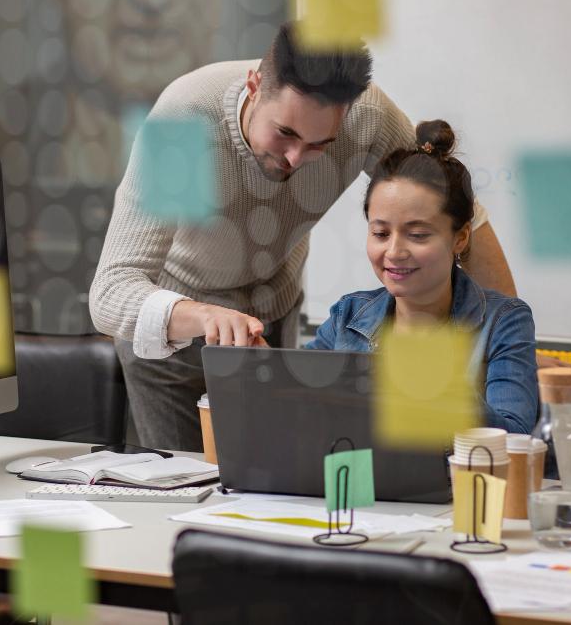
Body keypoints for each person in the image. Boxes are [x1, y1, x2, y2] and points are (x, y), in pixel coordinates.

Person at [90, 22, 517, 451]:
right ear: (254, 86)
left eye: (320, 144)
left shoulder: (368, 118)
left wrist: (506, 338)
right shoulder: (185, 123)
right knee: (184, 482)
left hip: (272, 325)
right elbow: (111, 292)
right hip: (174, 336)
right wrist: (205, 317)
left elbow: (462, 220)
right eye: (286, 134)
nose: (295, 158)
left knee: (272, 481)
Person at [304, 120, 539, 434]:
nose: (394, 252)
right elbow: (296, 402)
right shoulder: (346, 316)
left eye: (417, 234)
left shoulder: (504, 321)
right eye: (380, 233)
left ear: (461, 237)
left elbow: (514, 438)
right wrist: (256, 358)